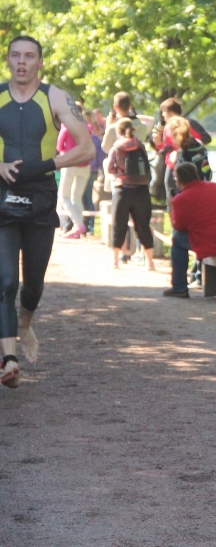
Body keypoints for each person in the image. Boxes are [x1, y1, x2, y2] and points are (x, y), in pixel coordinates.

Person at [0, 35, 95, 387]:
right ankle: (8, 360)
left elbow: (86, 149)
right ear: (8, 60)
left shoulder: (54, 97)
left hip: (40, 194)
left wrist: (45, 165)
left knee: (33, 284)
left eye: (29, 56)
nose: (21, 62)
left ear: (40, 62)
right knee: (5, 281)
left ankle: (25, 323)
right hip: (4, 197)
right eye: (15, 56)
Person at [164, 162, 216, 298]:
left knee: (177, 239)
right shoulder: (215, 186)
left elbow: (179, 227)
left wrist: (171, 206)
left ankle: (179, 287)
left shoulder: (181, 199)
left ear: (178, 180)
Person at [106, 118, 156, 271]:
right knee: (143, 225)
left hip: (123, 189)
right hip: (142, 190)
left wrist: (119, 173)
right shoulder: (140, 145)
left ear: (118, 131)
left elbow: (110, 168)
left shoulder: (116, 147)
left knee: (119, 224)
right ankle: (150, 262)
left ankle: (115, 261)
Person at [154, 97, 211, 202]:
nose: (162, 115)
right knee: (172, 198)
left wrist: (184, 148)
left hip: (189, 165)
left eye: (164, 112)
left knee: (187, 198)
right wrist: (158, 144)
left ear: (170, 112)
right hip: (172, 166)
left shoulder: (188, 123)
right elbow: (166, 148)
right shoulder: (166, 126)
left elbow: (206, 139)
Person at [56, 104, 93, 238]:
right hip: (85, 165)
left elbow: (59, 146)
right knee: (76, 197)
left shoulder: (66, 127)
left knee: (63, 196)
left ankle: (78, 225)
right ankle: (79, 228)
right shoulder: (88, 127)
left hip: (70, 164)